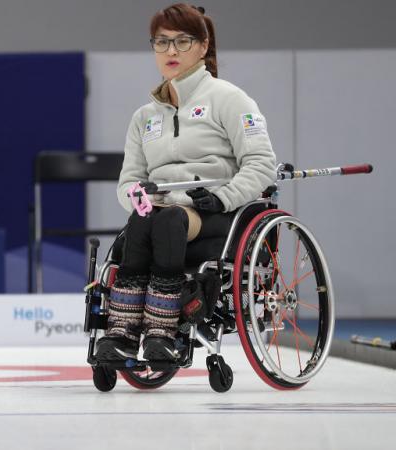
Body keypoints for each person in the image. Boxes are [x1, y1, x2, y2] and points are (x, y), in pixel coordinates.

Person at [95, 3, 277, 362]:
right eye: (161, 43)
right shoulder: (144, 117)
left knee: (165, 220)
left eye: (182, 41)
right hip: (161, 213)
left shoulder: (229, 99)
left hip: (218, 211)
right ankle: (122, 333)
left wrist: (224, 197)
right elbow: (128, 182)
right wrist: (137, 196)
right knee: (143, 220)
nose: (171, 51)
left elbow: (261, 165)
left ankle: (161, 331)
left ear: (203, 45)